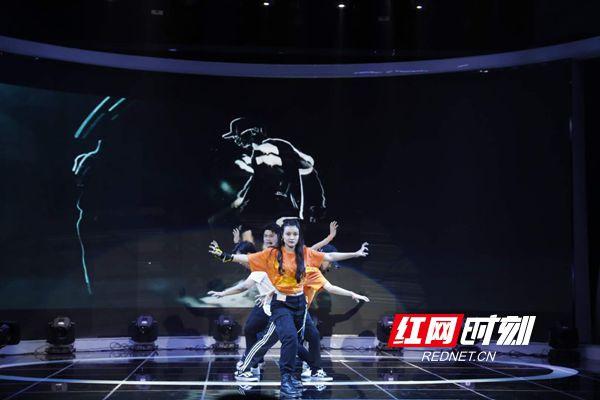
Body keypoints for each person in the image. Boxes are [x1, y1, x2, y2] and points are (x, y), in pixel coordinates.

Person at [209, 219, 368, 398]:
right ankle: (283, 379)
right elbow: (246, 258)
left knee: (296, 342)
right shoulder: (272, 254)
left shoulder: (304, 253)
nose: (292, 237)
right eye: (288, 234)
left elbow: (329, 257)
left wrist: (356, 253)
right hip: (281, 304)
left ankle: (298, 375)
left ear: (299, 236)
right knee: (288, 339)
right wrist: (224, 256)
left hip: (299, 305)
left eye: (295, 234)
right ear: (282, 236)